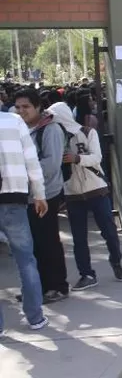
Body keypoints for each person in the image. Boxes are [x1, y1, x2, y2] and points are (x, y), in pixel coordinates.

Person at [48, 102, 122, 291]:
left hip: (95, 189)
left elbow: (97, 158)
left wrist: (77, 159)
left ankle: (116, 261)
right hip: (72, 192)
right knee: (79, 237)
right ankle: (86, 273)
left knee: (108, 230)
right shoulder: (54, 138)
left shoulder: (86, 132)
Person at [13, 89, 70, 303]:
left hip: (46, 194)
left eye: (26, 107)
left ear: (38, 106)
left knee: (48, 241)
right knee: (31, 244)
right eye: (18, 107)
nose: (21, 111)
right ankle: (36, 287)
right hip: (24, 195)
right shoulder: (19, 129)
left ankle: (57, 286)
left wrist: (22, 173)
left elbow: (51, 164)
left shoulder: (51, 129)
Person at [0, 108, 50, 335]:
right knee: (26, 260)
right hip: (14, 199)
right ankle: (35, 317)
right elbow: (32, 162)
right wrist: (39, 194)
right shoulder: (14, 122)